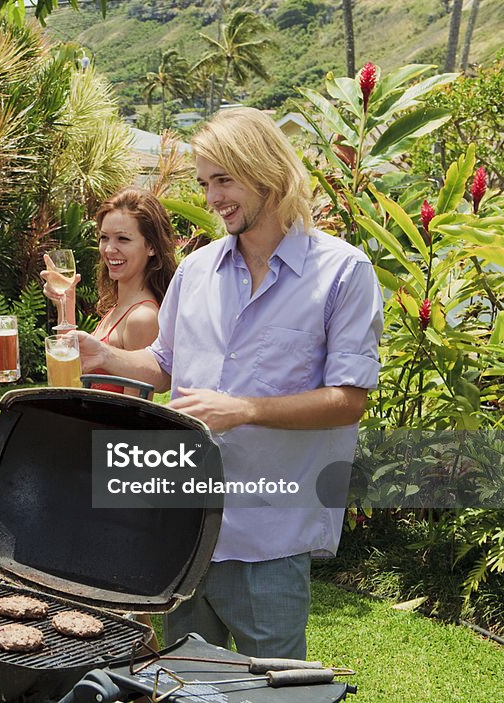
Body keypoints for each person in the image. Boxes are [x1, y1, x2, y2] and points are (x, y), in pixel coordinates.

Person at [74, 107, 383, 658]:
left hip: (268, 535)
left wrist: (244, 409)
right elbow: (163, 365)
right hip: (183, 525)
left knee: (272, 689)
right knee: (188, 681)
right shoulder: (195, 272)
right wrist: (104, 356)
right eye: (204, 183)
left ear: (266, 171)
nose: (213, 198)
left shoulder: (343, 272)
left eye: (224, 180)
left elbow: (348, 400)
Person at [42, 186, 178, 394]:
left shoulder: (142, 318)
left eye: (123, 239)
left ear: (151, 246)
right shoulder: (120, 307)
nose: (108, 249)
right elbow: (70, 370)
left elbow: (134, 412)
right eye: (104, 237)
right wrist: (66, 302)